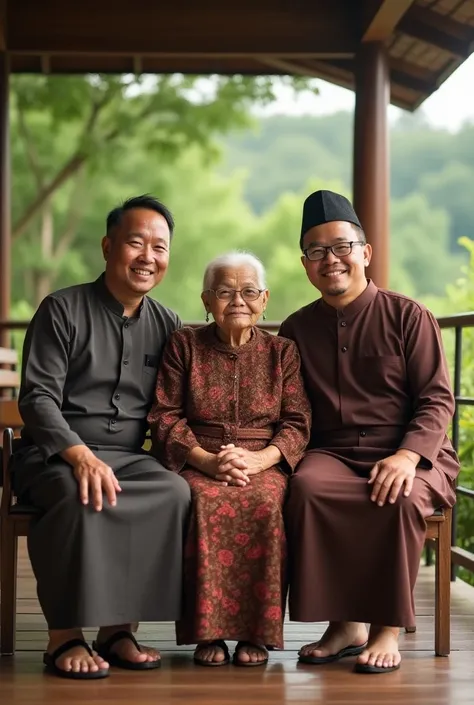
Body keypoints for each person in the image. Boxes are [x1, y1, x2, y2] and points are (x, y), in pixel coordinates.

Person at [279, 190, 459, 675]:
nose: (330, 260)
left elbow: (436, 399)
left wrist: (407, 456)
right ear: (305, 264)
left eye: (341, 247)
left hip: (410, 450)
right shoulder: (296, 328)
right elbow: (289, 408)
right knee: (306, 489)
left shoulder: (408, 315)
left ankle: (385, 626)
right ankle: (343, 625)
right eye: (317, 251)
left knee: (397, 495)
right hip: (331, 452)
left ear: (365, 253)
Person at [11, 195, 191, 679]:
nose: (148, 257)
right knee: (77, 494)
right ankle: (64, 635)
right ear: (109, 246)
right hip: (53, 453)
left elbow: (175, 409)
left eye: (160, 247)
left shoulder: (169, 324)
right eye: (136, 243)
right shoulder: (62, 309)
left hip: (132, 457)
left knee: (174, 491)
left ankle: (117, 630)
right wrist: (80, 455)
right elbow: (37, 399)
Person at [148, 251, 311, 667]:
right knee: (203, 502)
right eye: (224, 292)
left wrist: (262, 461)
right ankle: (211, 632)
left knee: (264, 503)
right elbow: (165, 414)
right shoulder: (183, 344)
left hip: (264, 460)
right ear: (206, 301)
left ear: (265, 299)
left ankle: (256, 633)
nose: (238, 300)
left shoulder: (283, 352)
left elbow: (297, 420)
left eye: (249, 291)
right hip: (199, 457)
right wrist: (204, 460)